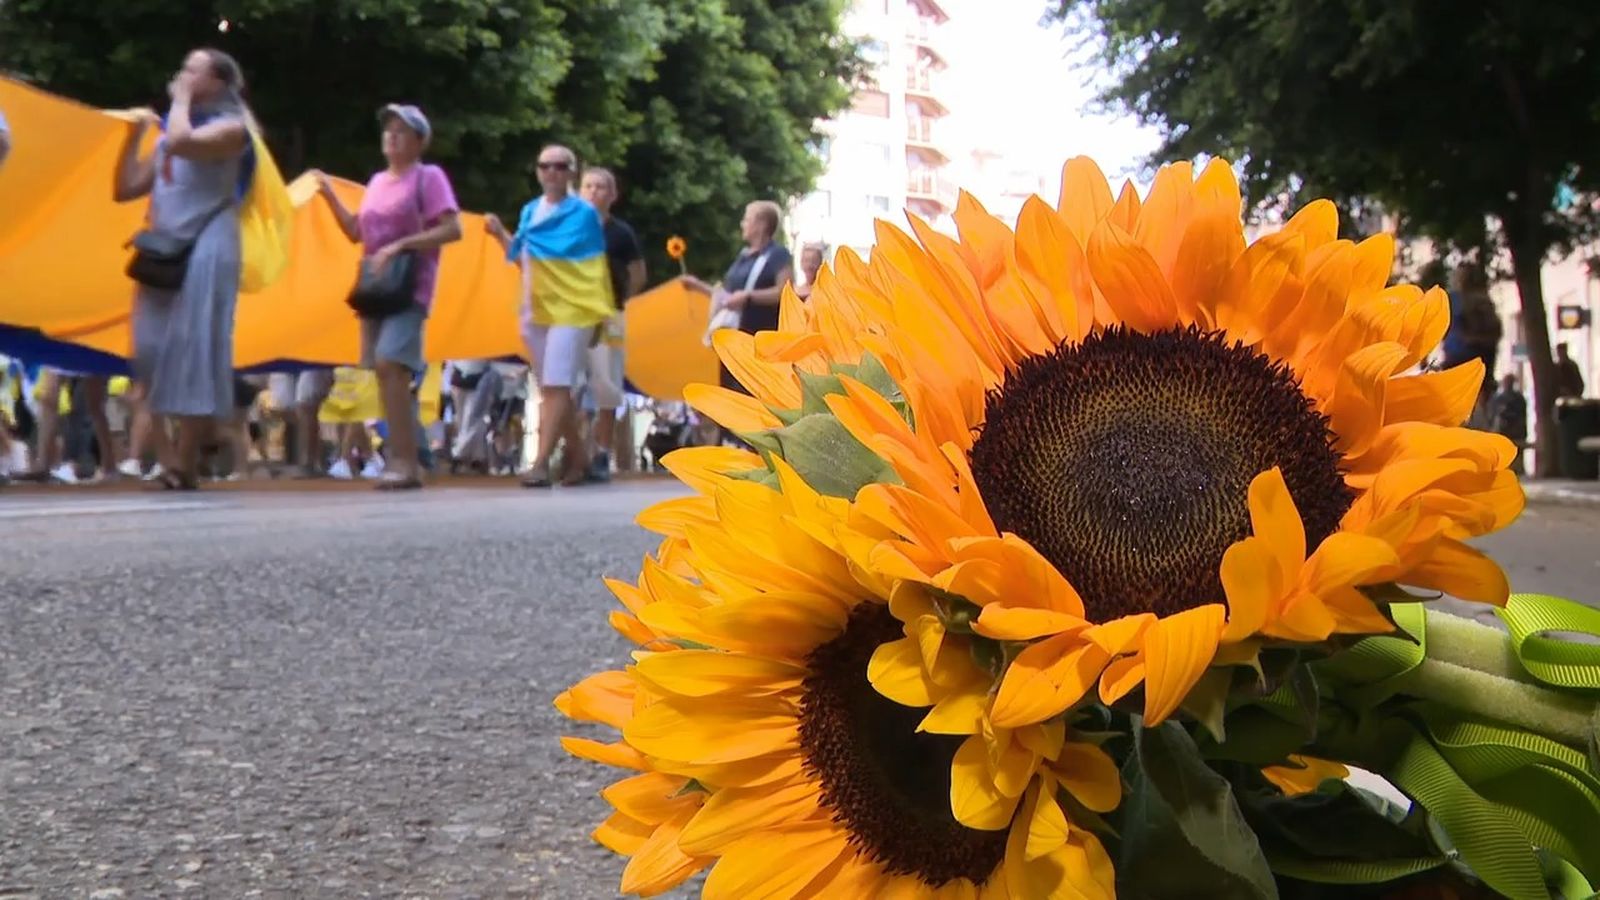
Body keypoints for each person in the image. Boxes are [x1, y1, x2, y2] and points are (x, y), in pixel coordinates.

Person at [114, 48, 254, 490]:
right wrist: (130, 134)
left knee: (198, 351)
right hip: (164, 249)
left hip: (209, 246)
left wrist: (177, 102)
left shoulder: (233, 129)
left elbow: (182, 141)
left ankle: (184, 463)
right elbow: (124, 189)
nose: (182, 75)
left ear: (217, 82)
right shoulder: (162, 135)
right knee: (149, 352)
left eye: (193, 70)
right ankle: (171, 455)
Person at [312, 104, 462, 490]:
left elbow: (452, 229)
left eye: (402, 131)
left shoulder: (428, 177)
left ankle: (405, 461)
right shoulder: (378, 182)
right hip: (376, 287)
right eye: (388, 130)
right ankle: (407, 457)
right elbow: (356, 231)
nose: (392, 136)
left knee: (390, 364)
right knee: (384, 374)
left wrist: (400, 246)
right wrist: (327, 193)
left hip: (409, 285)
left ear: (419, 141)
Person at [485, 144, 614, 488]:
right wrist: (499, 234)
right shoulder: (530, 211)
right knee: (552, 388)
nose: (552, 172)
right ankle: (580, 460)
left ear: (572, 171)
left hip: (574, 309)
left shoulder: (584, 214)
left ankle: (539, 464)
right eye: (545, 165)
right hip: (536, 308)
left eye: (560, 166)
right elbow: (521, 257)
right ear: (538, 170)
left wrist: (601, 315)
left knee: (557, 384)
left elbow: (594, 269)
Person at [683, 200, 795, 442]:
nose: (743, 224)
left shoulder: (778, 255)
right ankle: (735, 444)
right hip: (733, 339)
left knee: (755, 394)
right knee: (733, 393)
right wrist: (699, 287)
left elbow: (784, 291)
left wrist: (749, 297)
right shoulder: (743, 258)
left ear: (762, 224)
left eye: (747, 218)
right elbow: (726, 296)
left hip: (760, 339)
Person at [577, 166, 645, 482]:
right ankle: (576, 452)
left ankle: (601, 452)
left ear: (612, 195)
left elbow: (638, 273)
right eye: (588, 185)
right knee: (571, 383)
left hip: (610, 316)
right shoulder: (570, 228)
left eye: (601, 187)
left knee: (607, 383)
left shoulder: (622, 233)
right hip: (573, 315)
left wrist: (620, 304)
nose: (594, 191)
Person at [1440, 263, 1502, 426]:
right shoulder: (1483, 299)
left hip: (1459, 352)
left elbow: (1442, 326)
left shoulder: (1454, 299)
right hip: (1478, 353)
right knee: (1477, 393)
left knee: (1455, 396)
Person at [1489, 374, 1529, 476]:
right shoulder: (1498, 398)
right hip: (1503, 431)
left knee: (1517, 457)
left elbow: (1521, 414)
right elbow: (1494, 414)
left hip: (1516, 431)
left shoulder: (1518, 398)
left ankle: (1516, 472)